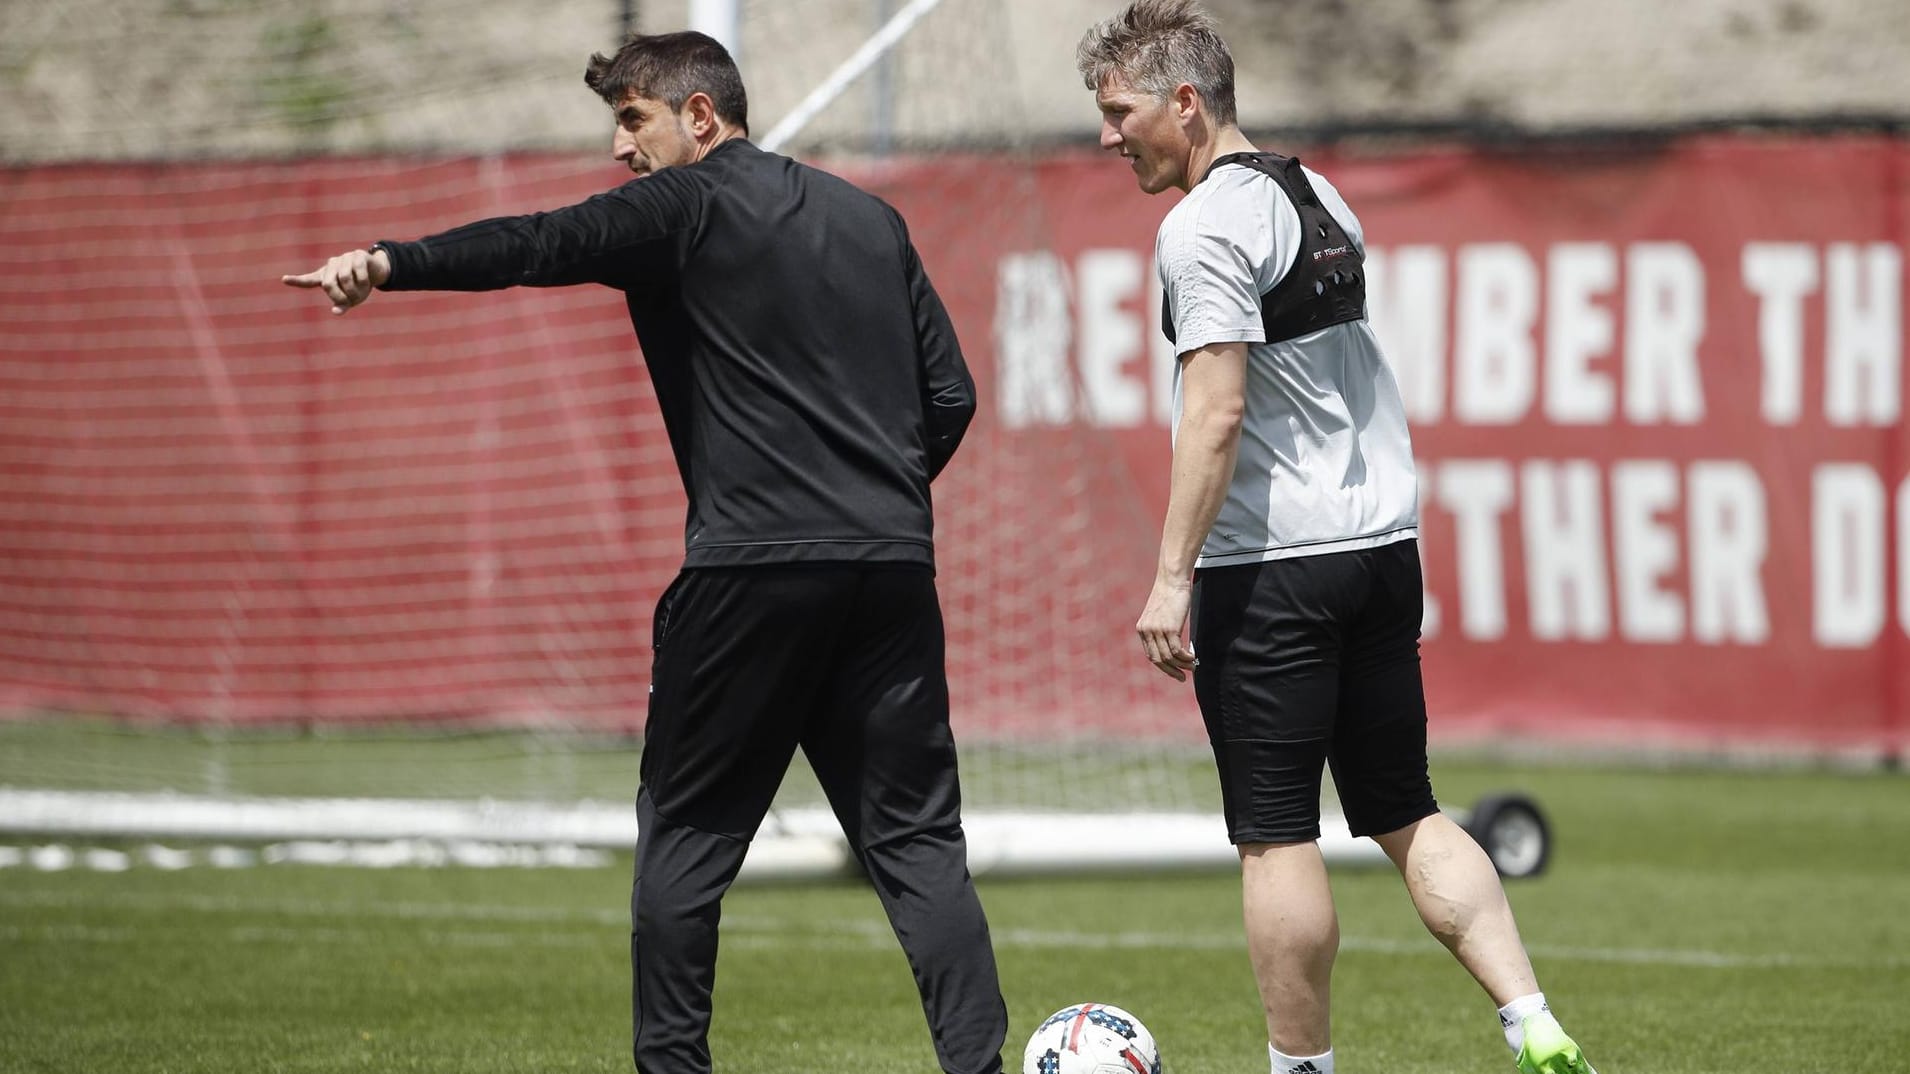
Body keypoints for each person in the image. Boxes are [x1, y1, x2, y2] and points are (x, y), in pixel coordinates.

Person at [282, 31, 1008, 1074]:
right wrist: (868, 502)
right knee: (917, 847)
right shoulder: (872, 219)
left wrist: (390, 262)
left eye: (633, 119)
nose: (621, 147)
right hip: (889, 571)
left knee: (688, 842)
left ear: (699, 117)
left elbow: (537, 243)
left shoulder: (684, 205)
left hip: (749, 577)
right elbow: (953, 397)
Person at [1074, 4, 1598, 1074]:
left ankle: (1298, 1069)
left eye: (1117, 111)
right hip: (1376, 552)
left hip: (1273, 568)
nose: (1105, 136)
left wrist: (1169, 578)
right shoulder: (1314, 190)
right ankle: (1529, 1018)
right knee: (1404, 810)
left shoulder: (1201, 227)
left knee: (1274, 836)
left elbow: (1215, 412)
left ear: (1185, 102)